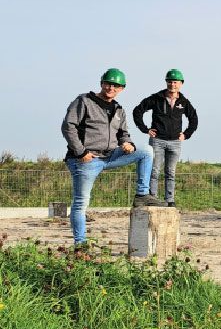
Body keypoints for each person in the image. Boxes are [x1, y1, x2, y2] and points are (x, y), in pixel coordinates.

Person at [62, 68, 166, 245]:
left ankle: (142, 194)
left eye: (116, 85)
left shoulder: (119, 110)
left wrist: (128, 144)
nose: (111, 88)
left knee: (146, 151)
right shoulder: (84, 101)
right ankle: (80, 245)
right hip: (86, 159)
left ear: (122, 88)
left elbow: (123, 133)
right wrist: (81, 152)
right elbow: (68, 127)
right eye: (108, 83)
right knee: (81, 203)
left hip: (109, 156)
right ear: (101, 83)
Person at [132, 69, 199, 208]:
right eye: (169, 81)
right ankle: (153, 198)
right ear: (166, 82)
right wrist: (145, 129)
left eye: (175, 82)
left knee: (171, 172)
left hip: (175, 142)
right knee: (154, 171)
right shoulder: (156, 98)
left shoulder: (184, 102)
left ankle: (170, 200)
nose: (172, 84)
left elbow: (194, 118)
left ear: (181, 84)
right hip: (158, 141)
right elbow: (137, 111)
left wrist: (186, 134)